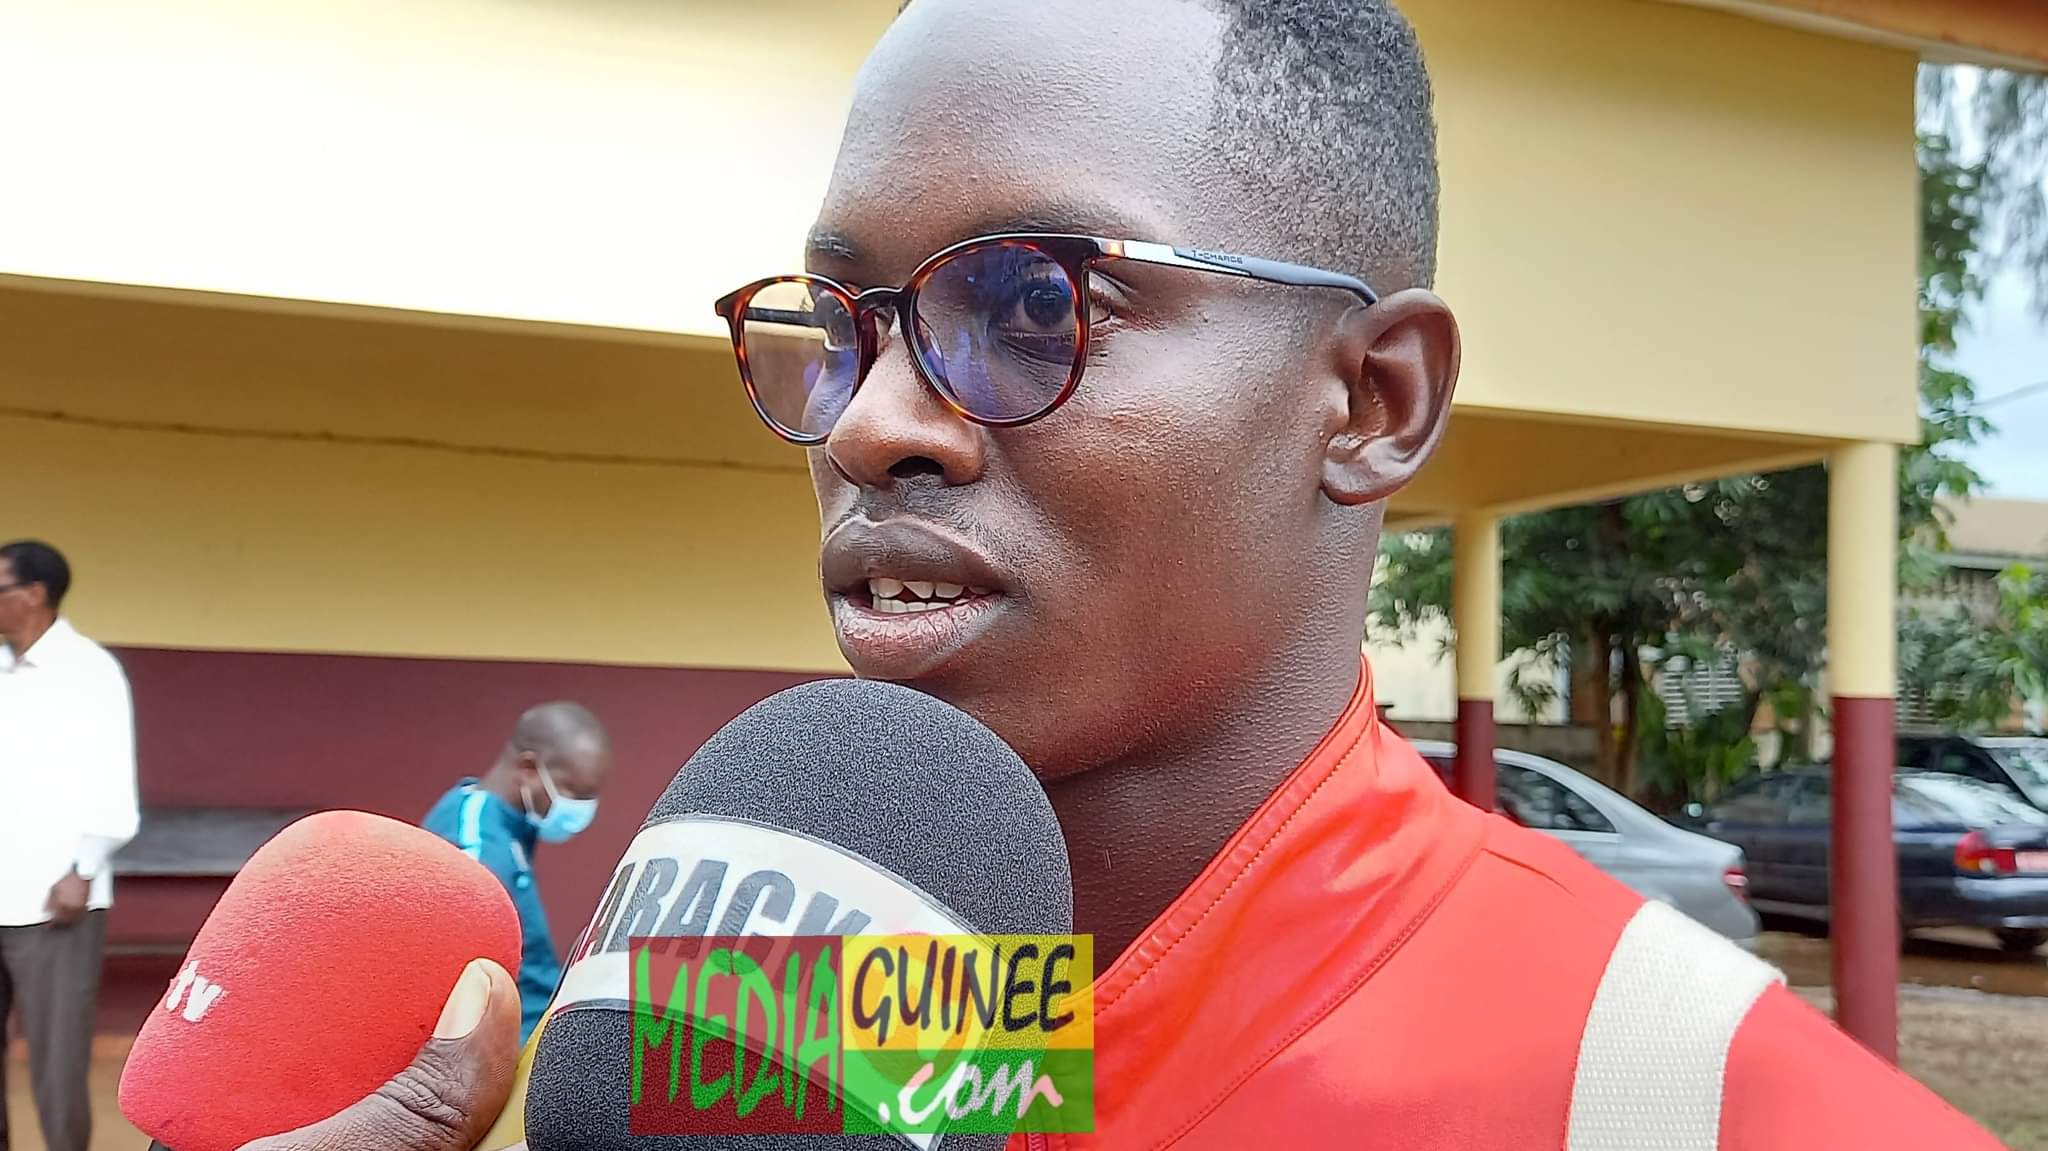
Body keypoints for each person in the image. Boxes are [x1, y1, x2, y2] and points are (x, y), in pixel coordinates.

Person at [240, 2, 2010, 1148]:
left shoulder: (1692, 1099)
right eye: (845, 322)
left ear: (1369, 401)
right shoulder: (761, 1021)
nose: (870, 422)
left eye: (1035, 304)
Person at [0, 540, 140, 1151]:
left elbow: (113, 782)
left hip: (53, 897)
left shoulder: (89, 671)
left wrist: (83, 869)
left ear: (33, 594)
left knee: (56, 1064)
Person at [421, 701, 612, 1043]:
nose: (581, 809)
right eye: (573, 792)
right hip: (511, 1045)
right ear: (528, 769)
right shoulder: (475, 841)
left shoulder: (510, 824)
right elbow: (466, 973)